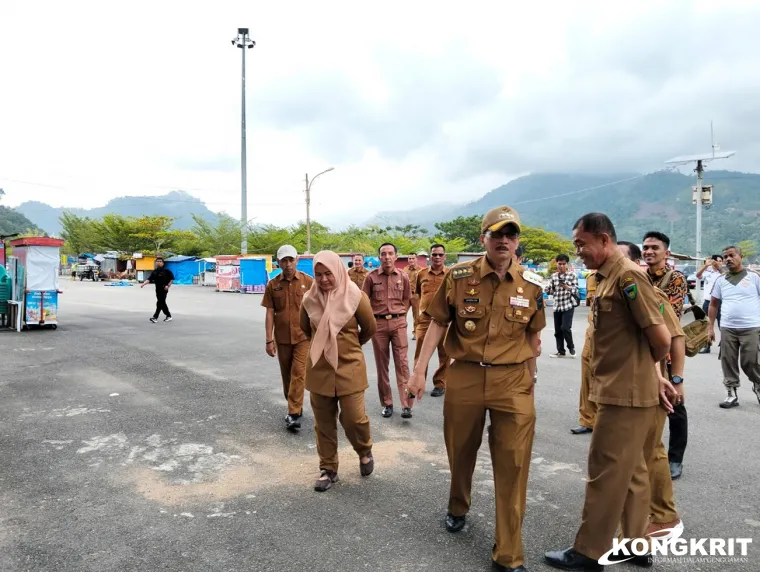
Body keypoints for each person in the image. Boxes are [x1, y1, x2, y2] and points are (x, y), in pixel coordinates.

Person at [407, 206, 545, 572]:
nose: (504, 241)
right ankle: (458, 504)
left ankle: (509, 554)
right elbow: (437, 323)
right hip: (465, 375)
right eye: (497, 234)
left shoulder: (531, 284)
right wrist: (418, 372)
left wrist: (532, 377)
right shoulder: (458, 276)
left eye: (511, 235)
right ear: (483, 238)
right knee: (460, 450)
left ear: (517, 241)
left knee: (514, 466)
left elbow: (534, 335)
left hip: (513, 382)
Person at [545, 213, 670, 571]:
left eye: (582, 244)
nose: (577, 251)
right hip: (626, 390)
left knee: (605, 471)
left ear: (603, 239)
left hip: (624, 393)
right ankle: (634, 544)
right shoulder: (608, 276)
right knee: (633, 472)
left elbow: (660, 339)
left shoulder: (627, 276)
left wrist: (640, 372)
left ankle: (589, 551)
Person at [618, 240, 685, 540]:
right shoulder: (614, 291)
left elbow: (674, 338)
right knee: (641, 451)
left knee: (647, 451)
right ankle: (650, 515)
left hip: (652, 381)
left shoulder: (651, 293)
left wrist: (674, 379)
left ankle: (659, 518)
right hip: (623, 382)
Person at [300, 251, 377, 492]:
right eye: (318, 275)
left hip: (349, 366)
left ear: (339, 272)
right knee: (323, 423)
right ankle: (328, 468)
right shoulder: (308, 299)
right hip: (319, 369)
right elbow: (306, 330)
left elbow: (370, 328)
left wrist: (349, 347)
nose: (323, 280)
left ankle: (364, 450)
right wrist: (323, 345)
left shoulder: (356, 296)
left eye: (328, 274)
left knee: (354, 418)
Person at [641, 231, 689, 480]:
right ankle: (649, 454)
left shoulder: (676, 278)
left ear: (666, 253)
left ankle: (675, 458)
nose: (649, 251)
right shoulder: (638, 276)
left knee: (674, 404)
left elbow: (670, 315)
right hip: (641, 352)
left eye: (654, 248)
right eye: (646, 247)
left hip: (667, 351)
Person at [261, 245, 314, 431]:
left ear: (297, 260)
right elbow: (270, 313)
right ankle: (295, 405)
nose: (288, 264)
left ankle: (292, 412)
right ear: (278, 262)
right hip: (282, 338)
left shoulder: (309, 282)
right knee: (287, 376)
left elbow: (317, 309)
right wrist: (269, 340)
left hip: (303, 337)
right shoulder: (273, 284)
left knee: (298, 372)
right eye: (284, 260)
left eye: (291, 260)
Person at [362, 243, 414, 419]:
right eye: (383, 254)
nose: (387, 257)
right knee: (382, 366)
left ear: (396, 256)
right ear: (379, 257)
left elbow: (407, 299)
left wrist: (401, 317)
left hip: (398, 323)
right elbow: (363, 301)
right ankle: (387, 403)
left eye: (390, 253)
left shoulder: (403, 277)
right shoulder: (370, 277)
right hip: (379, 325)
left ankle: (406, 404)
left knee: (403, 364)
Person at [709, 245, 760, 409]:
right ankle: (731, 393)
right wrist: (710, 327)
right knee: (728, 360)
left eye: (732, 255)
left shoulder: (754, 278)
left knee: (751, 361)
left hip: (752, 327)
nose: (728, 259)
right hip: (728, 328)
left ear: (741, 256)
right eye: (725, 257)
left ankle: (758, 384)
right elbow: (713, 304)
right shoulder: (721, 280)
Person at [413, 243, 449, 397]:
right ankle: (416, 383)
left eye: (440, 254)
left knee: (445, 353)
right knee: (420, 353)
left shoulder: (451, 274)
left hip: (445, 320)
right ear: (430, 256)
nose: (437, 257)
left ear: (445, 257)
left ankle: (440, 383)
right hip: (425, 319)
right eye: (434, 254)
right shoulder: (421, 274)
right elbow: (418, 294)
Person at [570, 269, 598, 435]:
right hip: (593, 331)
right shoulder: (593, 278)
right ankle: (588, 419)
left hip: (616, 336)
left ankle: (606, 420)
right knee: (587, 375)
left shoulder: (626, 277)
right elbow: (591, 304)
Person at [544, 254, 579, 357]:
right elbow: (551, 291)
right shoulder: (553, 276)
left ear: (567, 264)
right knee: (557, 331)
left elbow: (576, 289)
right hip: (557, 305)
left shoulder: (572, 275)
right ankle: (561, 351)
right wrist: (548, 290)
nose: (562, 266)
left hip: (568, 304)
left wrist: (567, 287)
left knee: (565, 327)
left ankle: (571, 347)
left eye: (564, 264)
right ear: (556, 264)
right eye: (560, 264)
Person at [696, 254, 724, 353]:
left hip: (721, 303)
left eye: (720, 260)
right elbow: (698, 275)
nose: (719, 262)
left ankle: (724, 346)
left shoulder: (723, 273)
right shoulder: (708, 272)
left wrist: (719, 268)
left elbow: (727, 276)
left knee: (722, 325)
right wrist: (705, 265)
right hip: (708, 302)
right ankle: (707, 346)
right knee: (706, 325)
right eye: (717, 261)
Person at [141, 256, 174, 323]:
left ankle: (155, 317)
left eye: (160, 261)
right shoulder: (155, 272)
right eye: (157, 261)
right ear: (156, 262)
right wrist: (143, 284)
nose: (158, 263)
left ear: (163, 263)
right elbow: (149, 279)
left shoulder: (167, 271)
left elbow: (171, 279)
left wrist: (168, 286)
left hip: (164, 289)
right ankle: (168, 316)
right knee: (162, 303)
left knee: (160, 303)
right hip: (157, 289)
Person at [405, 253, 421, 340]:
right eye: (409, 258)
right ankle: (401, 332)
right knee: (402, 314)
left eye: (413, 258)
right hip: (406, 295)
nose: (411, 260)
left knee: (416, 315)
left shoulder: (421, 270)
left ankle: (416, 332)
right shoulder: (404, 270)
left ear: (416, 259)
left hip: (416, 295)